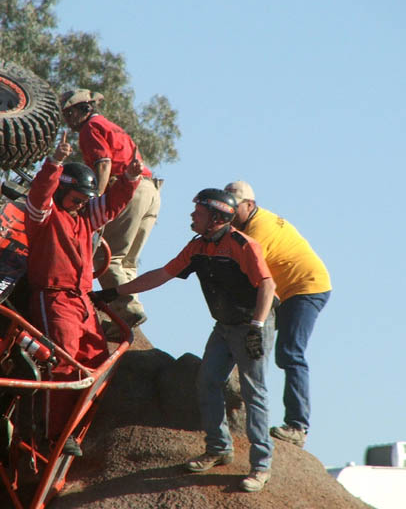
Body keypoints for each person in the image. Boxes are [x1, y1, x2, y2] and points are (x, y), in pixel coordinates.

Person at [90, 189, 277, 492]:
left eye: (198, 213)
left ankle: (261, 467)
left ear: (216, 219)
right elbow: (161, 274)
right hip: (225, 326)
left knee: (254, 393)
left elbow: (267, 286)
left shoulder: (244, 245)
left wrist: (256, 327)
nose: (192, 216)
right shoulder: (198, 246)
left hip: (252, 325)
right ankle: (218, 449)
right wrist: (113, 293)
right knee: (207, 381)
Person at [25, 132, 143, 456]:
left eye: (83, 201)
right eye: (75, 198)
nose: (80, 205)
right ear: (61, 189)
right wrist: (54, 163)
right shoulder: (45, 216)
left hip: (82, 301)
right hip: (54, 298)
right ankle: (50, 435)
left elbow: (111, 205)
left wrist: (130, 179)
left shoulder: (84, 219)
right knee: (62, 357)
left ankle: (73, 431)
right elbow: (38, 195)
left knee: (96, 360)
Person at [224, 180, 331, 449]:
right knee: (258, 337)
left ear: (249, 205)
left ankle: (297, 426)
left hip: (306, 287)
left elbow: (248, 279)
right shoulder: (246, 225)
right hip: (288, 290)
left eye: (234, 208)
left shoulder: (260, 230)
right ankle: (238, 389)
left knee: (289, 353)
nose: (229, 213)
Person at [59, 88, 161, 330]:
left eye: (69, 113)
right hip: (151, 189)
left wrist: (96, 201)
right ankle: (129, 311)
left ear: (81, 110)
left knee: (107, 256)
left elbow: (103, 165)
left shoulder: (89, 129)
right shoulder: (108, 125)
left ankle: (127, 311)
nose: (67, 119)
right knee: (127, 261)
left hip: (129, 189)